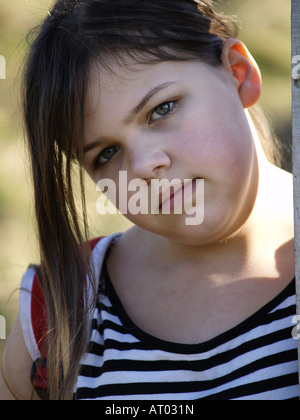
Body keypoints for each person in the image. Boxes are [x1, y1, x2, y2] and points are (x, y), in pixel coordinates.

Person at [0, 0, 298, 400]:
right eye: (106, 154)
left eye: (162, 109)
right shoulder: (57, 316)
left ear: (238, 75)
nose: (142, 167)